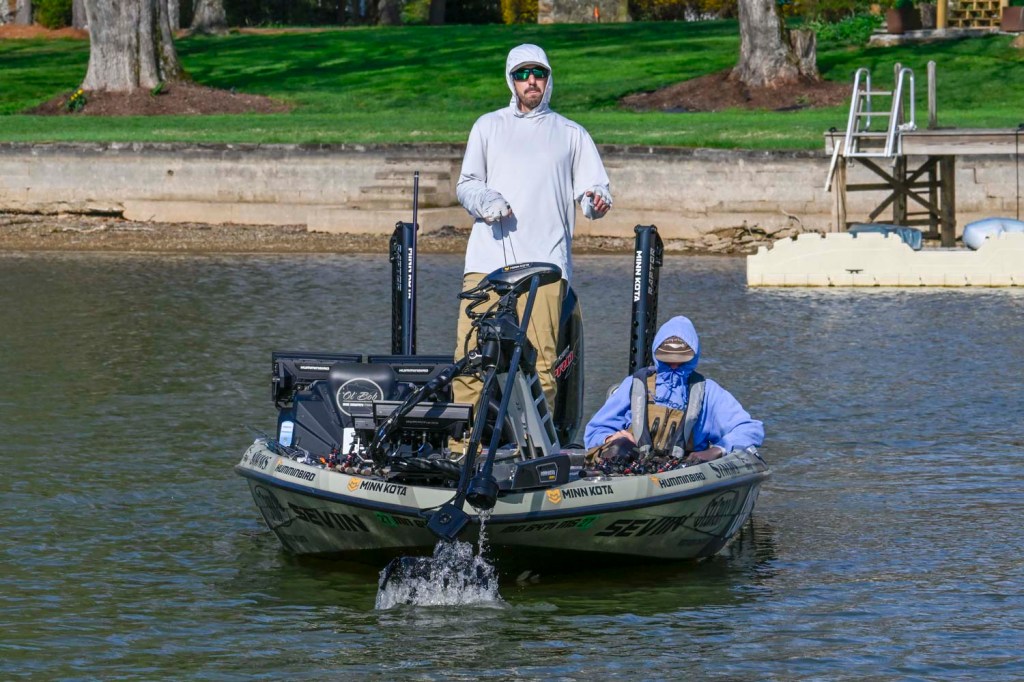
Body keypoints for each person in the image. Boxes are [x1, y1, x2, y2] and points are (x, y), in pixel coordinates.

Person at [452, 43, 613, 412]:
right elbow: (467, 185)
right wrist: (487, 199)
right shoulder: (488, 126)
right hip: (486, 263)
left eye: (538, 73)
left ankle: (535, 444)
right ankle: (461, 442)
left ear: (548, 79)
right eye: (522, 74)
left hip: (546, 266)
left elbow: (594, 193)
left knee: (541, 365)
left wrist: (596, 201)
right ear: (511, 80)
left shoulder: (571, 133)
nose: (531, 81)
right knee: (469, 358)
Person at [584, 316, 763, 464]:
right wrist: (610, 439)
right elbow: (594, 431)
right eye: (667, 360)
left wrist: (718, 450)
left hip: (687, 472)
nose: (674, 365)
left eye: (681, 360)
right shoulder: (633, 385)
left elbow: (750, 429)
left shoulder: (709, 392)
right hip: (631, 468)